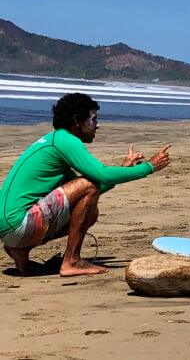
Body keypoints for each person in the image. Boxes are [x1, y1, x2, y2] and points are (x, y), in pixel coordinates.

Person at [0, 93, 171, 277]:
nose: (97, 125)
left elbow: (92, 189)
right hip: (19, 224)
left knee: (91, 210)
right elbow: (99, 176)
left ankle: (20, 251)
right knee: (87, 185)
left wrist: (123, 169)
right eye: (93, 119)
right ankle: (71, 261)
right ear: (77, 121)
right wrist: (149, 167)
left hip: (9, 228)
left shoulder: (55, 139)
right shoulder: (66, 141)